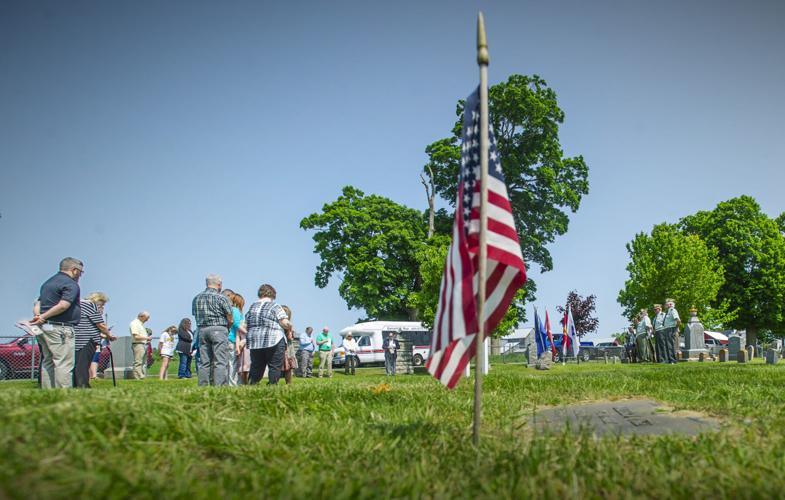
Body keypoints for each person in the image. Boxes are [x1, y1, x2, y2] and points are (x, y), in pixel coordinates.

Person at [31, 257, 84, 389]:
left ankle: (48, 392)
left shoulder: (48, 283)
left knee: (48, 361)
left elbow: (38, 302)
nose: (80, 276)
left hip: (45, 328)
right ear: (74, 270)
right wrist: (43, 316)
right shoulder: (70, 284)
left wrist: (38, 316)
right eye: (81, 272)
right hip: (61, 329)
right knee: (64, 363)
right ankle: (63, 395)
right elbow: (63, 305)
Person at [245, 284, 292, 385]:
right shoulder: (275, 306)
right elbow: (284, 322)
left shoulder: (252, 307)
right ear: (273, 294)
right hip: (274, 339)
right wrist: (289, 326)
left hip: (255, 341)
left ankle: (252, 384)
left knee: (256, 365)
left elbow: (246, 322)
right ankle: (272, 385)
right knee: (274, 365)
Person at [192, 274, 234, 386]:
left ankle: (203, 385)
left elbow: (195, 315)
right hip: (219, 329)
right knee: (220, 360)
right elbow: (230, 318)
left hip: (202, 329)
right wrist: (227, 328)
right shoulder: (222, 298)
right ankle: (219, 386)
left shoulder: (197, 298)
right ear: (219, 284)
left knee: (204, 361)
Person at [73, 292, 113, 388]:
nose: (102, 307)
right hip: (86, 339)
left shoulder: (79, 304)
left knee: (78, 363)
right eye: (102, 304)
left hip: (78, 337)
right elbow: (100, 324)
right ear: (97, 300)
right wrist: (109, 335)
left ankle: (76, 383)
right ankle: (82, 384)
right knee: (83, 363)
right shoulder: (90, 305)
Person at [228, 293, 247, 386]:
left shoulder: (235, 311)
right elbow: (236, 324)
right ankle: (232, 384)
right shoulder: (235, 310)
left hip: (235, 339)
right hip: (232, 339)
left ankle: (237, 382)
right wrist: (247, 333)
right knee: (233, 363)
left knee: (235, 363)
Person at [129, 311, 152, 379]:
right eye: (147, 318)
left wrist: (146, 339)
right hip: (138, 344)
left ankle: (141, 376)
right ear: (141, 316)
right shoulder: (134, 323)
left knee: (142, 362)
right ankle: (138, 376)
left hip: (143, 344)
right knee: (138, 361)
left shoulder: (140, 324)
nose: (147, 320)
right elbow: (136, 336)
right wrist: (147, 338)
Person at [281, 305, 298, 385]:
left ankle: (274, 381)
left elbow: (289, 337)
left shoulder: (280, 324)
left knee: (281, 366)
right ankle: (288, 383)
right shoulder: (288, 325)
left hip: (283, 347)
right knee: (288, 367)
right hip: (288, 348)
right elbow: (290, 337)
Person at [663, 298, 681, 364]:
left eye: (666, 304)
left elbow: (678, 320)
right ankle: (669, 360)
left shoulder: (673, 310)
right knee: (668, 345)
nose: (665, 305)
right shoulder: (668, 311)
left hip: (671, 328)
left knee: (671, 345)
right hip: (667, 329)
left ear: (670, 304)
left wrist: (676, 328)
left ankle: (673, 360)